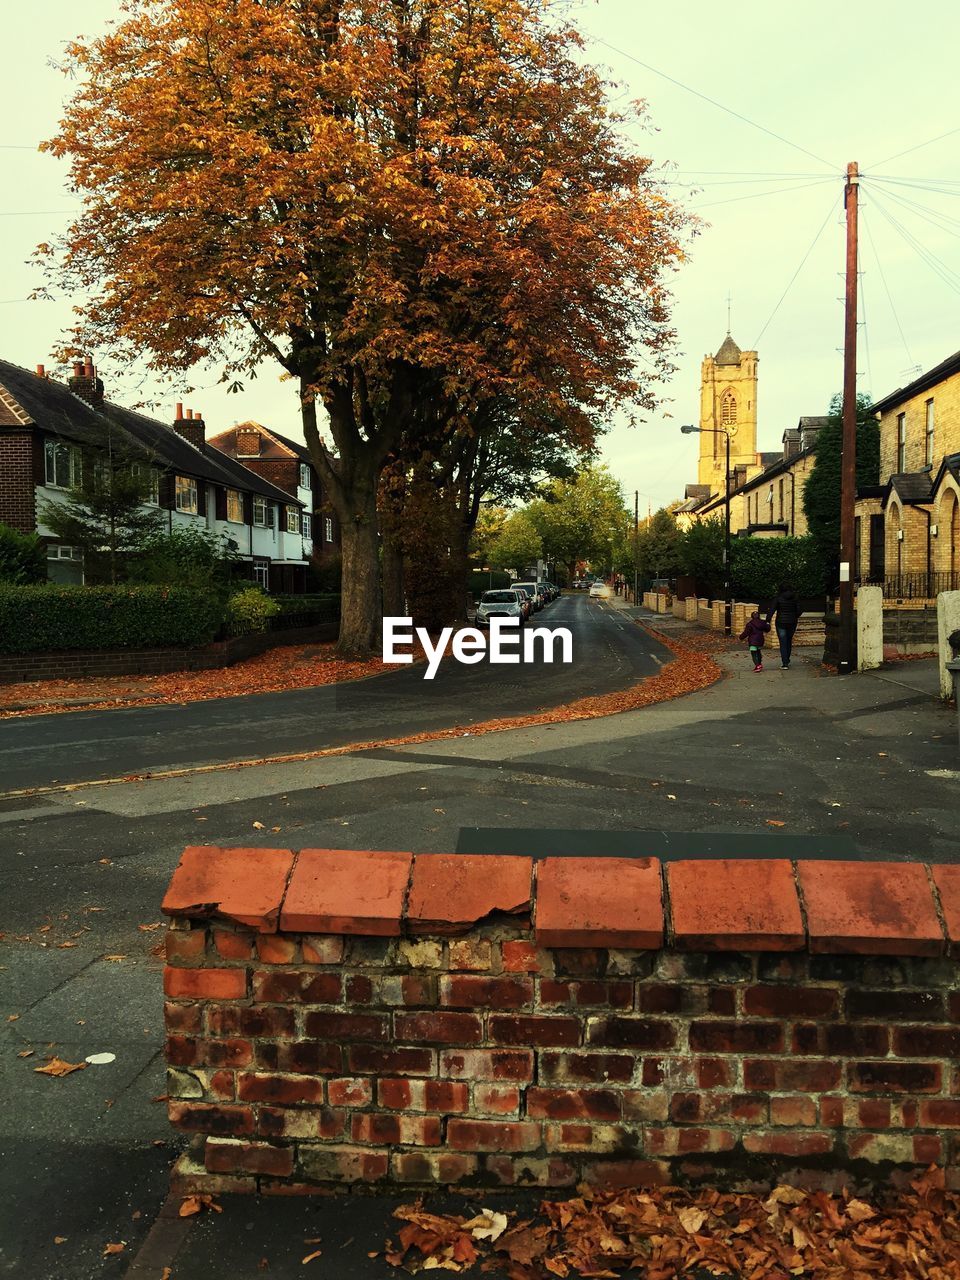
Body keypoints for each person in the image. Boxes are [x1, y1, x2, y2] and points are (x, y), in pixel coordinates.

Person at [766, 582, 802, 670]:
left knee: (783, 642)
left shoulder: (778, 598)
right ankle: (787, 659)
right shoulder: (795, 598)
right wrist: (795, 616)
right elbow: (800, 610)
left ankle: (785, 663)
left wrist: (767, 620)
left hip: (780, 622)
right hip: (792, 622)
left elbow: (772, 610)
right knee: (789, 640)